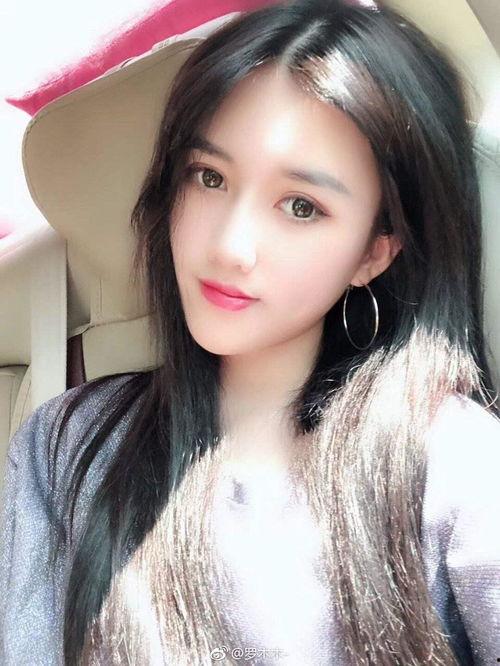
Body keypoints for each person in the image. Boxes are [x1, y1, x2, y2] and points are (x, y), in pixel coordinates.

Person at [1, 0, 499, 663]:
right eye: (209, 177)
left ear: (374, 252)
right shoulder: (68, 444)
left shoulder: (457, 470)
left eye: (302, 207)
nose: (230, 246)